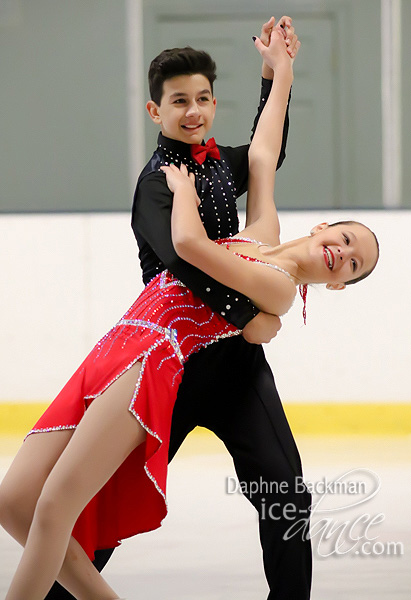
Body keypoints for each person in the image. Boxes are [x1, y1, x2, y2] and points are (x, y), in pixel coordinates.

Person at [44, 15, 308, 600]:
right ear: (155, 112)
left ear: (215, 102)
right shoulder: (156, 184)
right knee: (107, 503)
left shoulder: (214, 164)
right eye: (180, 101)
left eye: (204, 99)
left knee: (286, 493)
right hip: (173, 368)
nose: (194, 112)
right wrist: (253, 318)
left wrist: (273, 73)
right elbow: (183, 268)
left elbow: (269, 152)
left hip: (237, 370)